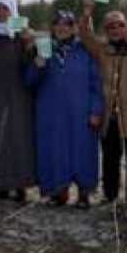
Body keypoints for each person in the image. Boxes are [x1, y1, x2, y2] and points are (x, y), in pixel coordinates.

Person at [79, 0, 127, 208]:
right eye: (110, 26)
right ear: (106, 30)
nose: (116, 29)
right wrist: (87, 12)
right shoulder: (102, 49)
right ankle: (110, 195)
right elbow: (84, 35)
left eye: (120, 25)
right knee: (110, 157)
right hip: (109, 114)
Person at [24, 11, 103, 207]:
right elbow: (29, 82)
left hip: (80, 112)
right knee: (54, 151)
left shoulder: (84, 50)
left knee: (82, 151)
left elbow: (96, 84)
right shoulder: (42, 48)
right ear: (52, 27)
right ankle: (57, 191)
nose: (62, 27)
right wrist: (38, 65)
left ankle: (84, 194)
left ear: (74, 27)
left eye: (67, 24)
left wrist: (95, 110)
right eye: (58, 23)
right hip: (51, 113)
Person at [0, 0, 35, 202]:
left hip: (19, 94)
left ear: (12, 11)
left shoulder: (21, 34)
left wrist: (29, 45)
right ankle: (1, 184)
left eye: (5, 9)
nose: (2, 12)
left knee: (19, 138)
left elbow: (29, 62)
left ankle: (21, 184)